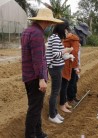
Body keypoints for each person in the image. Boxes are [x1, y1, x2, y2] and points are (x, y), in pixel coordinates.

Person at [21, 8, 63, 138]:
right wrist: (41, 78)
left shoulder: (27, 31)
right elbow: (38, 59)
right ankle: (30, 135)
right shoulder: (37, 34)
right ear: (45, 21)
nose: (51, 25)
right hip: (35, 77)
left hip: (27, 75)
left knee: (36, 106)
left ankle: (38, 133)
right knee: (34, 108)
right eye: (50, 22)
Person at [46, 23, 73, 123]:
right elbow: (56, 54)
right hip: (55, 68)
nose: (67, 32)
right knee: (55, 92)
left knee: (56, 91)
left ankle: (55, 112)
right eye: (66, 30)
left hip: (57, 67)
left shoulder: (54, 37)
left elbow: (56, 52)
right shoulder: (56, 38)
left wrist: (65, 51)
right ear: (62, 29)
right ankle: (52, 115)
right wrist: (66, 50)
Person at [67, 22, 91, 103]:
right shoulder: (72, 37)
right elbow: (73, 53)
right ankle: (70, 98)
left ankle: (73, 96)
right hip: (70, 61)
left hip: (74, 61)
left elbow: (77, 52)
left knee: (75, 79)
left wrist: (78, 64)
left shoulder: (76, 37)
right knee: (71, 80)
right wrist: (76, 66)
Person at [59, 19, 80, 112]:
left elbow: (75, 52)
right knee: (64, 84)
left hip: (70, 63)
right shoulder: (59, 37)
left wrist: (76, 66)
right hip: (62, 63)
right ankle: (64, 101)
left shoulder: (73, 39)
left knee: (69, 83)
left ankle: (67, 100)